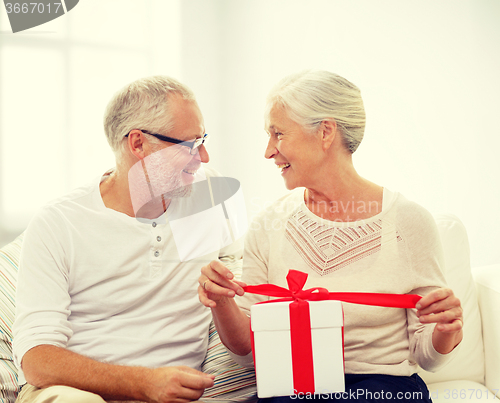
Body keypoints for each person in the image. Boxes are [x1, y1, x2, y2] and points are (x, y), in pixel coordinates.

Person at [198, 70, 463, 402]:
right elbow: (248, 352)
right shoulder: (269, 224)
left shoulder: (409, 223)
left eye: (278, 134)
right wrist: (221, 302)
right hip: (294, 390)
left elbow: (427, 356)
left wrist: (446, 330)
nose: (268, 151)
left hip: (382, 391)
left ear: (325, 132)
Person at [13, 76, 243, 403]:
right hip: (74, 392)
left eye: (202, 140)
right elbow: (36, 359)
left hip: (172, 394)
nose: (203, 157)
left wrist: (222, 295)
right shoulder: (59, 223)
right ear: (138, 144)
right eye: (189, 145)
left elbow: (243, 322)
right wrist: (143, 383)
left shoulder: (210, 195)